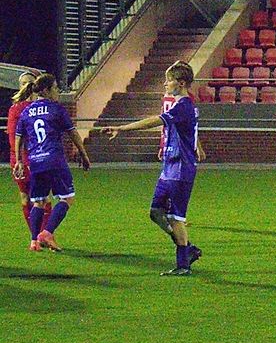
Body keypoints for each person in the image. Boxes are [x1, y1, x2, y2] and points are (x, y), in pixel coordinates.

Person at [102, 62, 202, 275]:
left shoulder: (184, 106)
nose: (165, 84)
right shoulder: (180, 105)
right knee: (156, 212)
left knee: (176, 217)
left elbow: (155, 121)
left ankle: (183, 264)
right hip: (170, 166)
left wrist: (122, 128)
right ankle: (188, 248)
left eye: (169, 80)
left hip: (181, 169)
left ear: (181, 83)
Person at [13, 73, 92, 252]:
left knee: (38, 202)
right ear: (47, 90)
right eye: (55, 88)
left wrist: (19, 160)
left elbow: (19, 137)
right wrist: (84, 154)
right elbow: (72, 133)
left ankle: (34, 241)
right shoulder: (56, 109)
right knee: (67, 198)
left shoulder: (27, 111)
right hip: (54, 160)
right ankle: (47, 232)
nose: (57, 92)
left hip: (35, 162)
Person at [8, 71, 52, 242]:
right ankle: (43, 235)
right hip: (33, 157)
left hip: (21, 158)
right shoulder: (39, 108)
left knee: (27, 197)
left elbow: (13, 137)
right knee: (43, 197)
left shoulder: (15, 109)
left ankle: (35, 237)